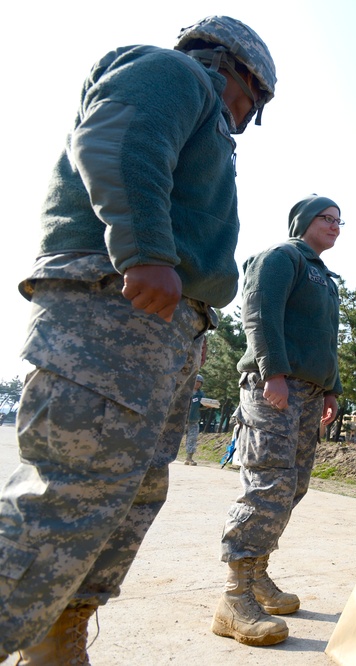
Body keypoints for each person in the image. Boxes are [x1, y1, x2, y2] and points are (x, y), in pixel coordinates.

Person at [0, 16, 275, 663]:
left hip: (161, 327)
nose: (246, 116)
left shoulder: (208, 119)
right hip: (112, 307)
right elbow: (117, 139)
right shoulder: (174, 73)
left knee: (125, 497)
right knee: (68, 495)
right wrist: (145, 251)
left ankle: (56, 637)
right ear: (235, 67)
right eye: (251, 101)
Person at [212, 195, 343, 646]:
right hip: (275, 388)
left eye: (339, 221)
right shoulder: (281, 257)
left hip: (307, 392)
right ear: (304, 222)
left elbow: (326, 340)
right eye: (326, 218)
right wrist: (274, 373)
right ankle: (234, 598)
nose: (335, 226)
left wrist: (331, 388)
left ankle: (258, 577)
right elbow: (259, 314)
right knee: (267, 483)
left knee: (292, 486)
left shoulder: (325, 278)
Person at [183, 374, 207, 465]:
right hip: (181, 420)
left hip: (194, 420)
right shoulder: (185, 391)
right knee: (173, 437)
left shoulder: (201, 394)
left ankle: (189, 458)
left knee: (192, 439)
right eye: (196, 382)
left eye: (199, 383)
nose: (197, 384)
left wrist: (206, 406)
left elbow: (202, 405)